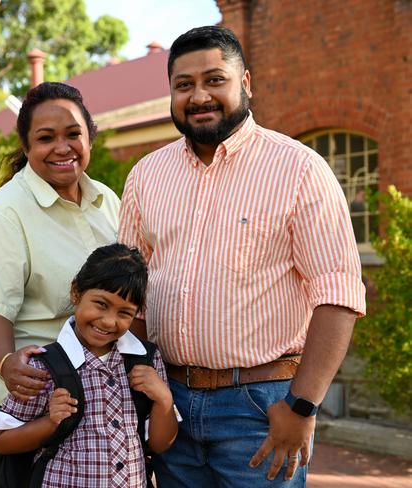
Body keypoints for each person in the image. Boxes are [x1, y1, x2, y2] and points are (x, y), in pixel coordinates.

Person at [118, 26, 366, 487]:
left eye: (215, 80)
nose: (199, 96)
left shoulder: (299, 170)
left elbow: (338, 294)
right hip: (168, 402)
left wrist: (303, 406)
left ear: (246, 84)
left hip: (260, 408)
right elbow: (131, 299)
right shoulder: (147, 176)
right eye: (184, 85)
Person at [0, 82, 120, 487]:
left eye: (73, 134)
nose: (62, 147)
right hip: (22, 399)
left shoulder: (107, 203)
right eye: (46, 138)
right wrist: (8, 366)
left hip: (90, 391)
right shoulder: (6, 211)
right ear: (27, 148)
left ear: (89, 137)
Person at [0, 243, 178, 487]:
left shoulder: (145, 360)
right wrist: (50, 422)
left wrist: (164, 399)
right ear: (76, 292)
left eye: (124, 313)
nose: (109, 321)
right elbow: (1, 440)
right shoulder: (44, 366)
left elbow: (159, 444)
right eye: (101, 304)